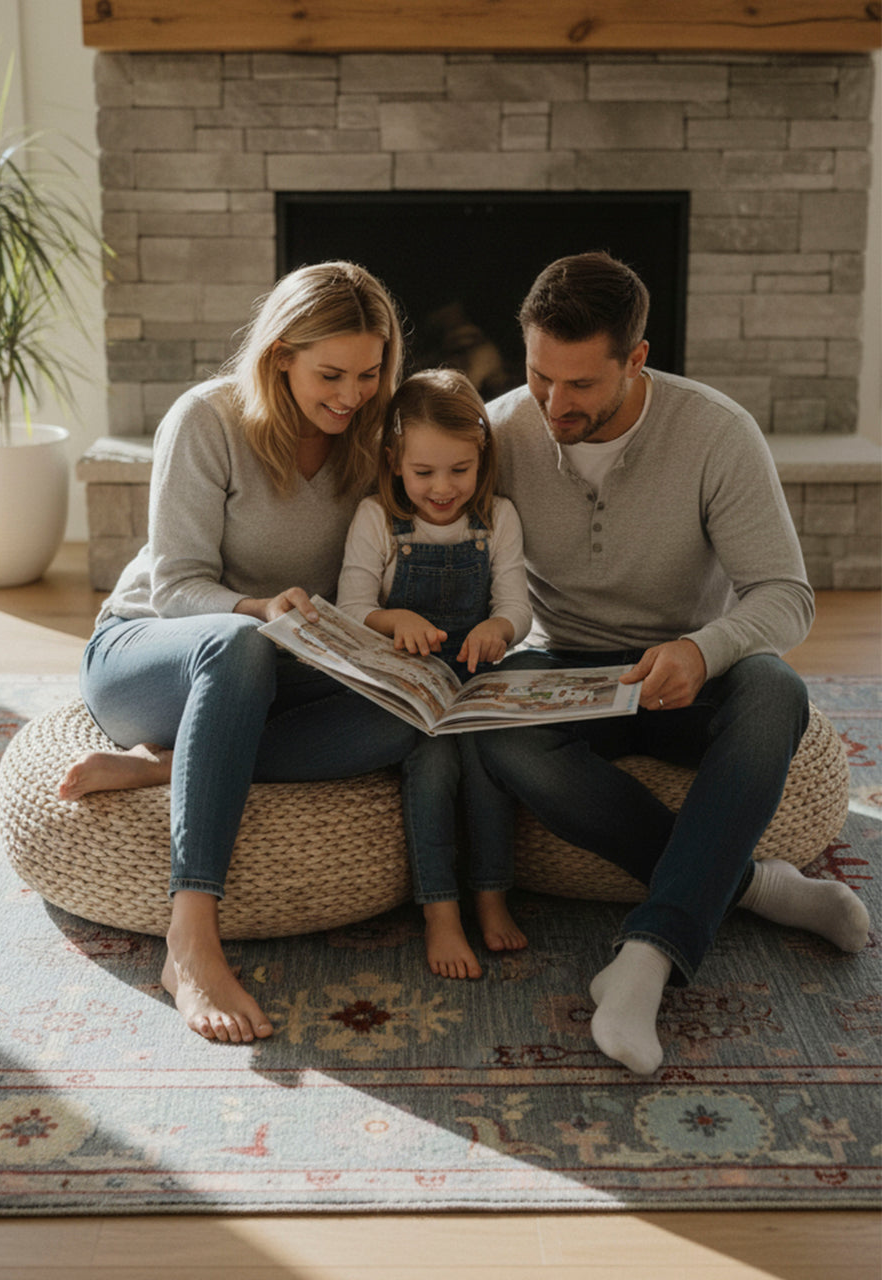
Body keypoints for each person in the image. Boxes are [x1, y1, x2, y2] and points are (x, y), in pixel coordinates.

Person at [477, 250, 869, 1075]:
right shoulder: (502, 430)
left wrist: (705, 647)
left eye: (581, 384)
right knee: (497, 729)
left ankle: (647, 957)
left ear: (636, 360)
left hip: (693, 673)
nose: (554, 403)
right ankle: (755, 887)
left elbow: (784, 595)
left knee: (774, 687)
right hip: (574, 667)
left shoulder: (716, 432)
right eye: (541, 376)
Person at [58, 261, 419, 1044]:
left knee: (412, 713)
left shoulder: (373, 434)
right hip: (152, 650)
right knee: (236, 644)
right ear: (280, 354)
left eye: (369, 372)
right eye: (330, 374)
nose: (351, 394)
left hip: (279, 663)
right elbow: (176, 586)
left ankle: (170, 763)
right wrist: (257, 609)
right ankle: (189, 934)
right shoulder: (206, 420)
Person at [336, 369, 533, 979]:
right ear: (394, 462)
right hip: (410, 687)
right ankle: (442, 913)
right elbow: (350, 609)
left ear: (482, 459)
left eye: (459, 470)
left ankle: (491, 896)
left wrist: (498, 630)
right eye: (424, 473)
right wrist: (394, 620)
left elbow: (518, 608)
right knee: (434, 767)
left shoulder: (497, 518)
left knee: (490, 763)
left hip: (476, 678)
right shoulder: (376, 519)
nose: (443, 489)